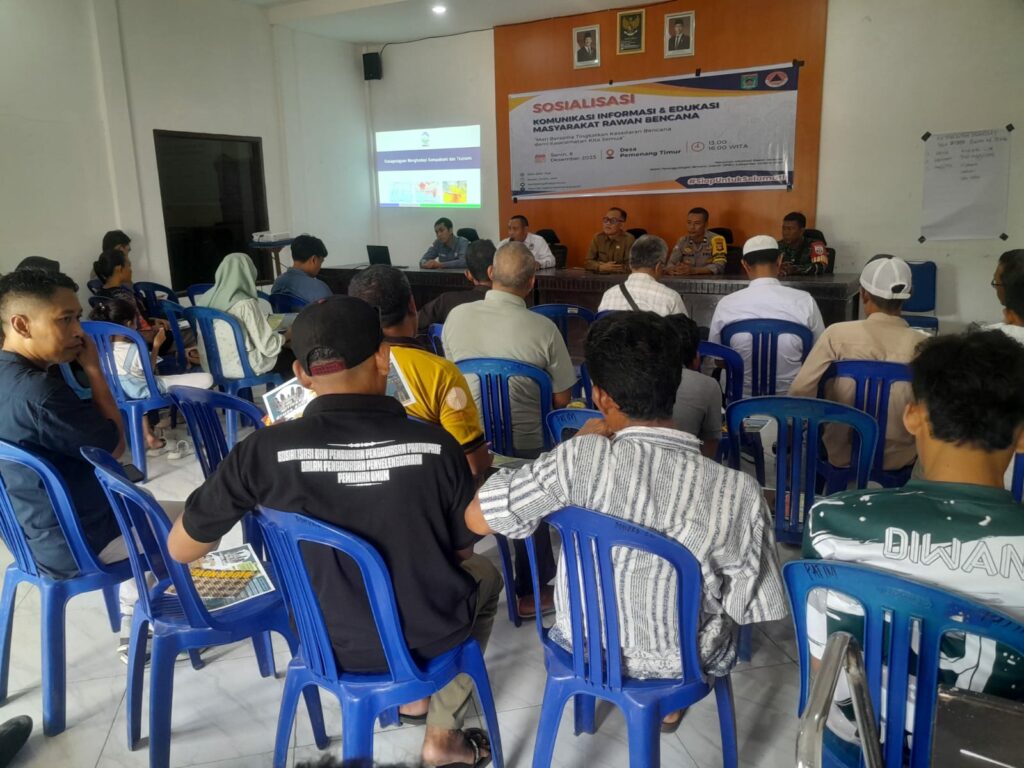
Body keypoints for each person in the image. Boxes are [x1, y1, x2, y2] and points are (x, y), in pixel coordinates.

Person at [167, 296, 501, 768]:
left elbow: (182, 549)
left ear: (301, 375)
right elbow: (461, 551)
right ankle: (442, 734)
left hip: (323, 639)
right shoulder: (437, 445)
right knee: (486, 575)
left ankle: (413, 703)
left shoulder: (261, 450)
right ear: (384, 358)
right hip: (425, 637)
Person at [466, 312, 787, 730]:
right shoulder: (738, 491)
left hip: (582, 646)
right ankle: (667, 706)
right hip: (684, 662)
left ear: (600, 397)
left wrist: (569, 449)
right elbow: (752, 605)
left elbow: (477, 519)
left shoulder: (575, 460)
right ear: (675, 384)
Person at [803, 330, 1024, 749]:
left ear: (912, 416)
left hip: (859, 740)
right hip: (987, 753)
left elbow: (822, 662)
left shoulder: (832, 522)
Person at [0, 269, 182, 658]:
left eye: (78, 317)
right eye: (65, 319)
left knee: (141, 502)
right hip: (77, 542)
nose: (78, 331)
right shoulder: (39, 394)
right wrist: (96, 370)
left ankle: (139, 609)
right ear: (21, 324)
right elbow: (115, 446)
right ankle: (151, 624)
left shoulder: (11, 378)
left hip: (28, 535)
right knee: (195, 521)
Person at [442, 241, 577, 617]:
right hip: (528, 449)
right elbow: (562, 398)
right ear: (532, 282)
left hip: (470, 444)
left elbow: (452, 377)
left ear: (489, 274)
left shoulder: (456, 318)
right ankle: (533, 591)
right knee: (538, 463)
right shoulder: (544, 328)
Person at [347, 265, 491, 478]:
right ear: (412, 305)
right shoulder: (442, 373)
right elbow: (472, 465)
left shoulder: (341, 374)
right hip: (428, 487)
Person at [789, 256, 924, 474]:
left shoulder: (836, 334)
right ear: (908, 296)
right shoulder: (924, 345)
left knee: (804, 435)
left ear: (863, 294)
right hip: (899, 460)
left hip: (838, 454)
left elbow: (800, 392)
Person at [88, 297, 213, 451]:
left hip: (122, 393)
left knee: (138, 392)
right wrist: (156, 346)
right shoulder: (133, 348)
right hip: (146, 389)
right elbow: (149, 370)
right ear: (129, 324)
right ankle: (201, 432)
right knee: (207, 378)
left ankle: (149, 437)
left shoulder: (100, 350)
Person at [709, 235, 825, 395]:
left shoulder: (726, 304)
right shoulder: (805, 301)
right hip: (794, 403)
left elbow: (718, 360)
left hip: (740, 403)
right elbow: (818, 354)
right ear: (780, 260)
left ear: (745, 265)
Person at [197, 252, 295, 379]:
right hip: (244, 366)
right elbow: (268, 347)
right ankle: (281, 391)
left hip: (213, 366)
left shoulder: (203, 300)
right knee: (294, 356)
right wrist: (287, 335)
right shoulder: (245, 304)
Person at [666, 313, 722, 458]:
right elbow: (709, 449)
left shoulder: (636, 380)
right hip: (688, 466)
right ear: (696, 359)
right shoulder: (709, 386)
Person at [596, 235, 688, 316]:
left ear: (630, 264)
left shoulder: (609, 295)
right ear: (658, 267)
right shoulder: (671, 298)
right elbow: (684, 330)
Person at [92, 249, 168, 346]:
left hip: (115, 344)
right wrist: (156, 330)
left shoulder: (99, 294)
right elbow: (137, 329)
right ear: (119, 269)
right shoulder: (124, 296)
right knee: (180, 332)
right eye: (129, 265)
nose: (131, 270)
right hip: (141, 342)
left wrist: (152, 321)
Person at [417, 239, 495, 334]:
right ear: (496, 270)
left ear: (468, 274)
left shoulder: (446, 301)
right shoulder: (508, 303)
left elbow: (415, 322)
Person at [270, 234, 331, 304]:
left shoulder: (277, 283)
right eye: (321, 262)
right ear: (314, 260)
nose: (320, 267)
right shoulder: (319, 288)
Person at [666, 207, 727, 276]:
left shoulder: (717, 240)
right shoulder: (682, 241)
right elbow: (670, 263)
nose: (692, 227)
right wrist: (672, 269)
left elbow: (719, 266)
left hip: (709, 280)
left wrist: (694, 271)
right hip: (686, 280)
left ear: (706, 225)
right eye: (689, 223)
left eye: (697, 223)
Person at [777, 212, 829, 276]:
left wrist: (796, 269)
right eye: (784, 228)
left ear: (802, 231)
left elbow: (821, 267)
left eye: (790, 229)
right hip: (783, 282)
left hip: (810, 282)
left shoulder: (816, 245)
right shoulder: (777, 246)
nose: (785, 233)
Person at [584, 208, 634, 273]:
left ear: (621, 225)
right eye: (606, 220)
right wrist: (600, 267)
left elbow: (632, 266)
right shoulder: (598, 238)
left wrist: (611, 268)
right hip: (600, 276)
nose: (607, 223)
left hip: (620, 277)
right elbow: (587, 262)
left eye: (613, 221)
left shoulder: (629, 239)